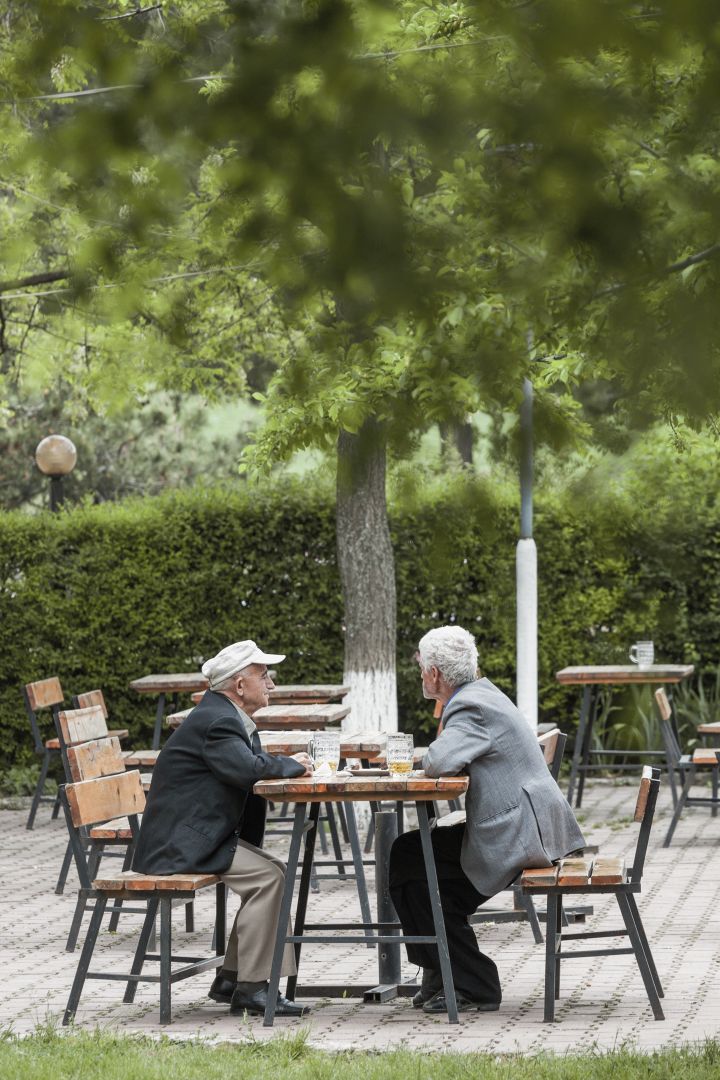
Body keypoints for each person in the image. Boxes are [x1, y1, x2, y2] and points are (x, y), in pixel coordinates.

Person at [389, 625, 585, 1014]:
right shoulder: (482, 694)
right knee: (412, 856)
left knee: (421, 868)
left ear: (434, 675)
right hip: (524, 823)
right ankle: (441, 972)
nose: (421, 676)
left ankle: (473, 985)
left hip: (521, 834)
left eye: (422, 669)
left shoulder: (469, 705)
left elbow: (440, 761)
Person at [132, 640, 314, 1018]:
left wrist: (283, 764)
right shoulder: (219, 721)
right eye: (264, 676)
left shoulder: (224, 715)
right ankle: (250, 989)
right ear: (239, 685)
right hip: (179, 844)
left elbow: (246, 768)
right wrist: (291, 765)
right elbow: (246, 770)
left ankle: (233, 980)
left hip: (192, 835)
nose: (272, 684)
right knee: (269, 877)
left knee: (272, 872)